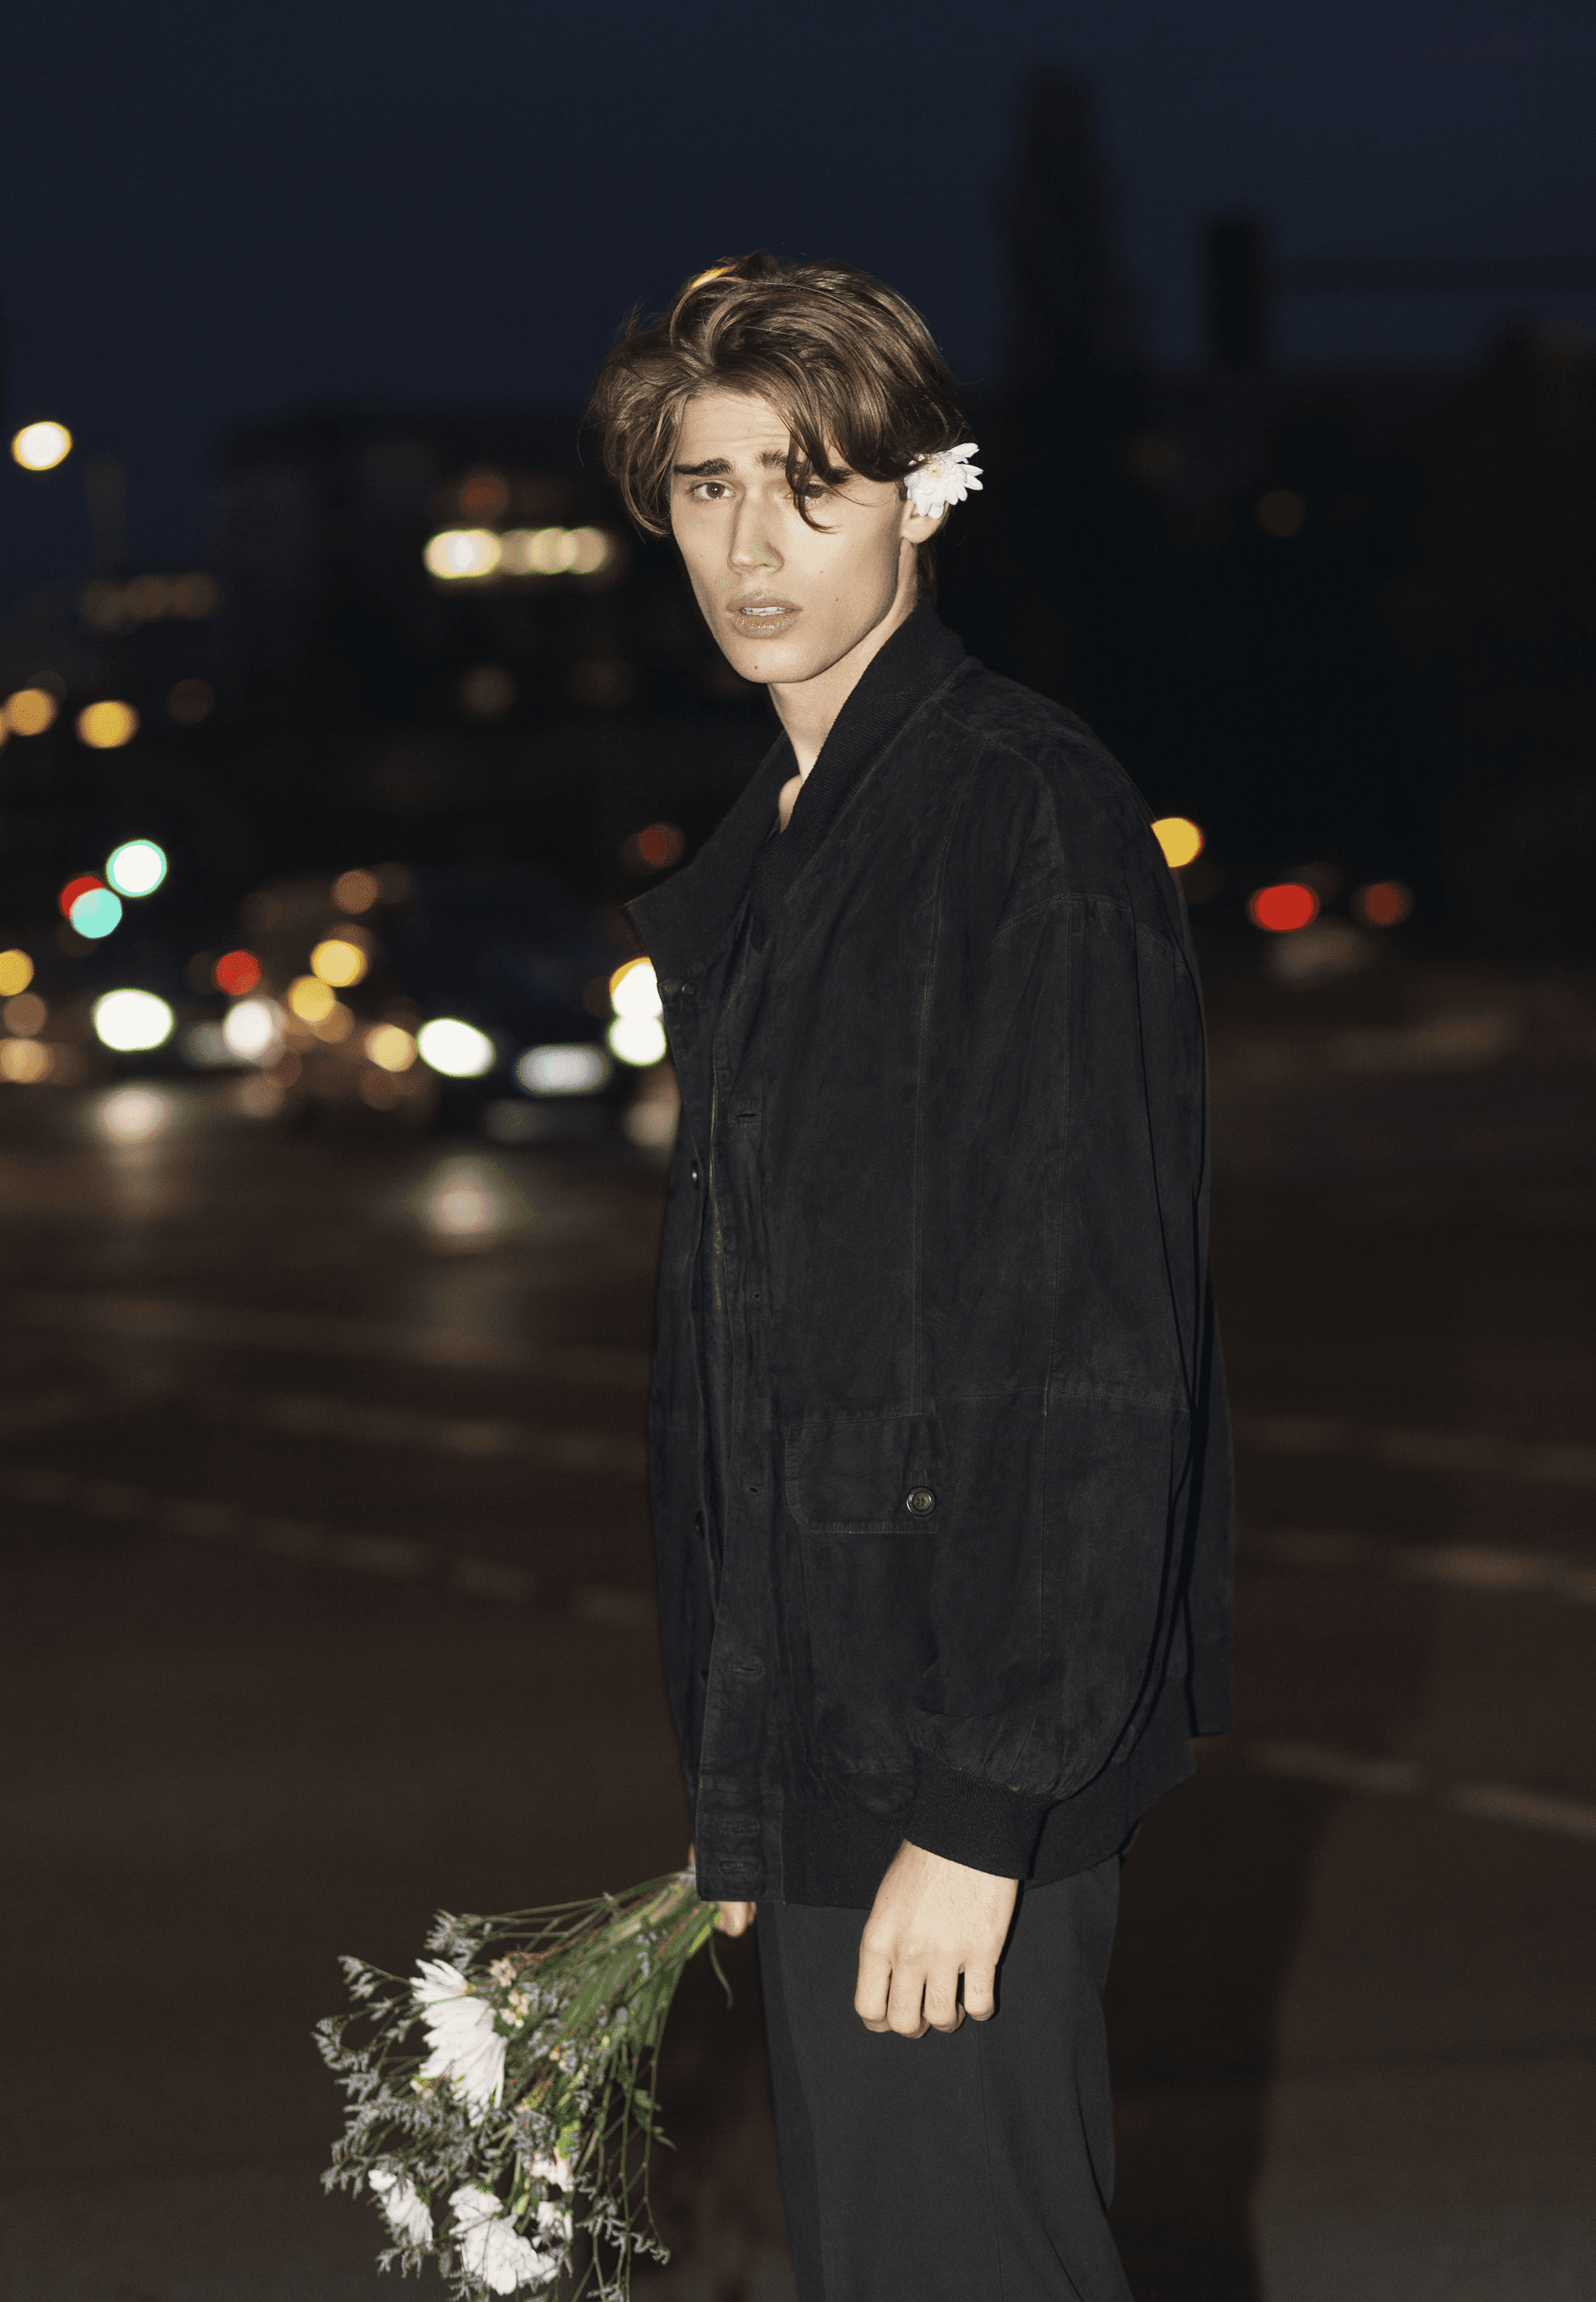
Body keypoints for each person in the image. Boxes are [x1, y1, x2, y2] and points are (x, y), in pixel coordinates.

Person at [587, 253, 1232, 2302]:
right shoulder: (797, 842)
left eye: (811, 486)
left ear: (919, 504)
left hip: (955, 1752)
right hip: (835, 1738)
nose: (750, 545)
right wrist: (744, 1788)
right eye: (706, 488)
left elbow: (1094, 1356)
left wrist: (978, 1813)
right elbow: (772, 1365)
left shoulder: (1014, 818)